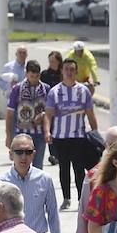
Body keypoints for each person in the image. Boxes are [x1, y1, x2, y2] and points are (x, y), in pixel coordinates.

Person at [0, 134, 62, 233]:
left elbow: (53, 213)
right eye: (19, 152)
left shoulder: (45, 179)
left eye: (28, 152)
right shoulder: (1, 183)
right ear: (11, 155)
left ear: (33, 154)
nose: (23, 156)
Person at [45, 58, 99, 210]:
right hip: (60, 137)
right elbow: (48, 115)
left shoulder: (83, 91)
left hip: (78, 137)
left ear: (76, 72)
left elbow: (90, 114)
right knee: (63, 168)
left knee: (79, 169)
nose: (69, 72)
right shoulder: (55, 92)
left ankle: (82, 199)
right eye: (66, 69)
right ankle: (66, 198)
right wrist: (47, 131)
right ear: (62, 71)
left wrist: (96, 134)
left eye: (71, 70)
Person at [5, 60, 50, 168]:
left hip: (39, 134)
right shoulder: (17, 89)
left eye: (37, 76)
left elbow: (51, 111)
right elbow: (10, 114)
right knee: (21, 166)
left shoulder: (46, 89)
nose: (34, 79)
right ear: (26, 74)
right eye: (31, 76)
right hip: (21, 134)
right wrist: (8, 135)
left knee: (38, 167)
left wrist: (43, 115)